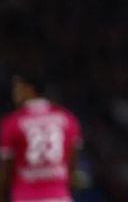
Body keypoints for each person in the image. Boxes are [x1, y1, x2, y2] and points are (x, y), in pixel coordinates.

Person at [0, 73, 82, 202]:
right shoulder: (67, 119)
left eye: (17, 88)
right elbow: (72, 167)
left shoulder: (12, 123)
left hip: (26, 197)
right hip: (59, 196)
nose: (14, 93)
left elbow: (6, 172)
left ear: (29, 89)